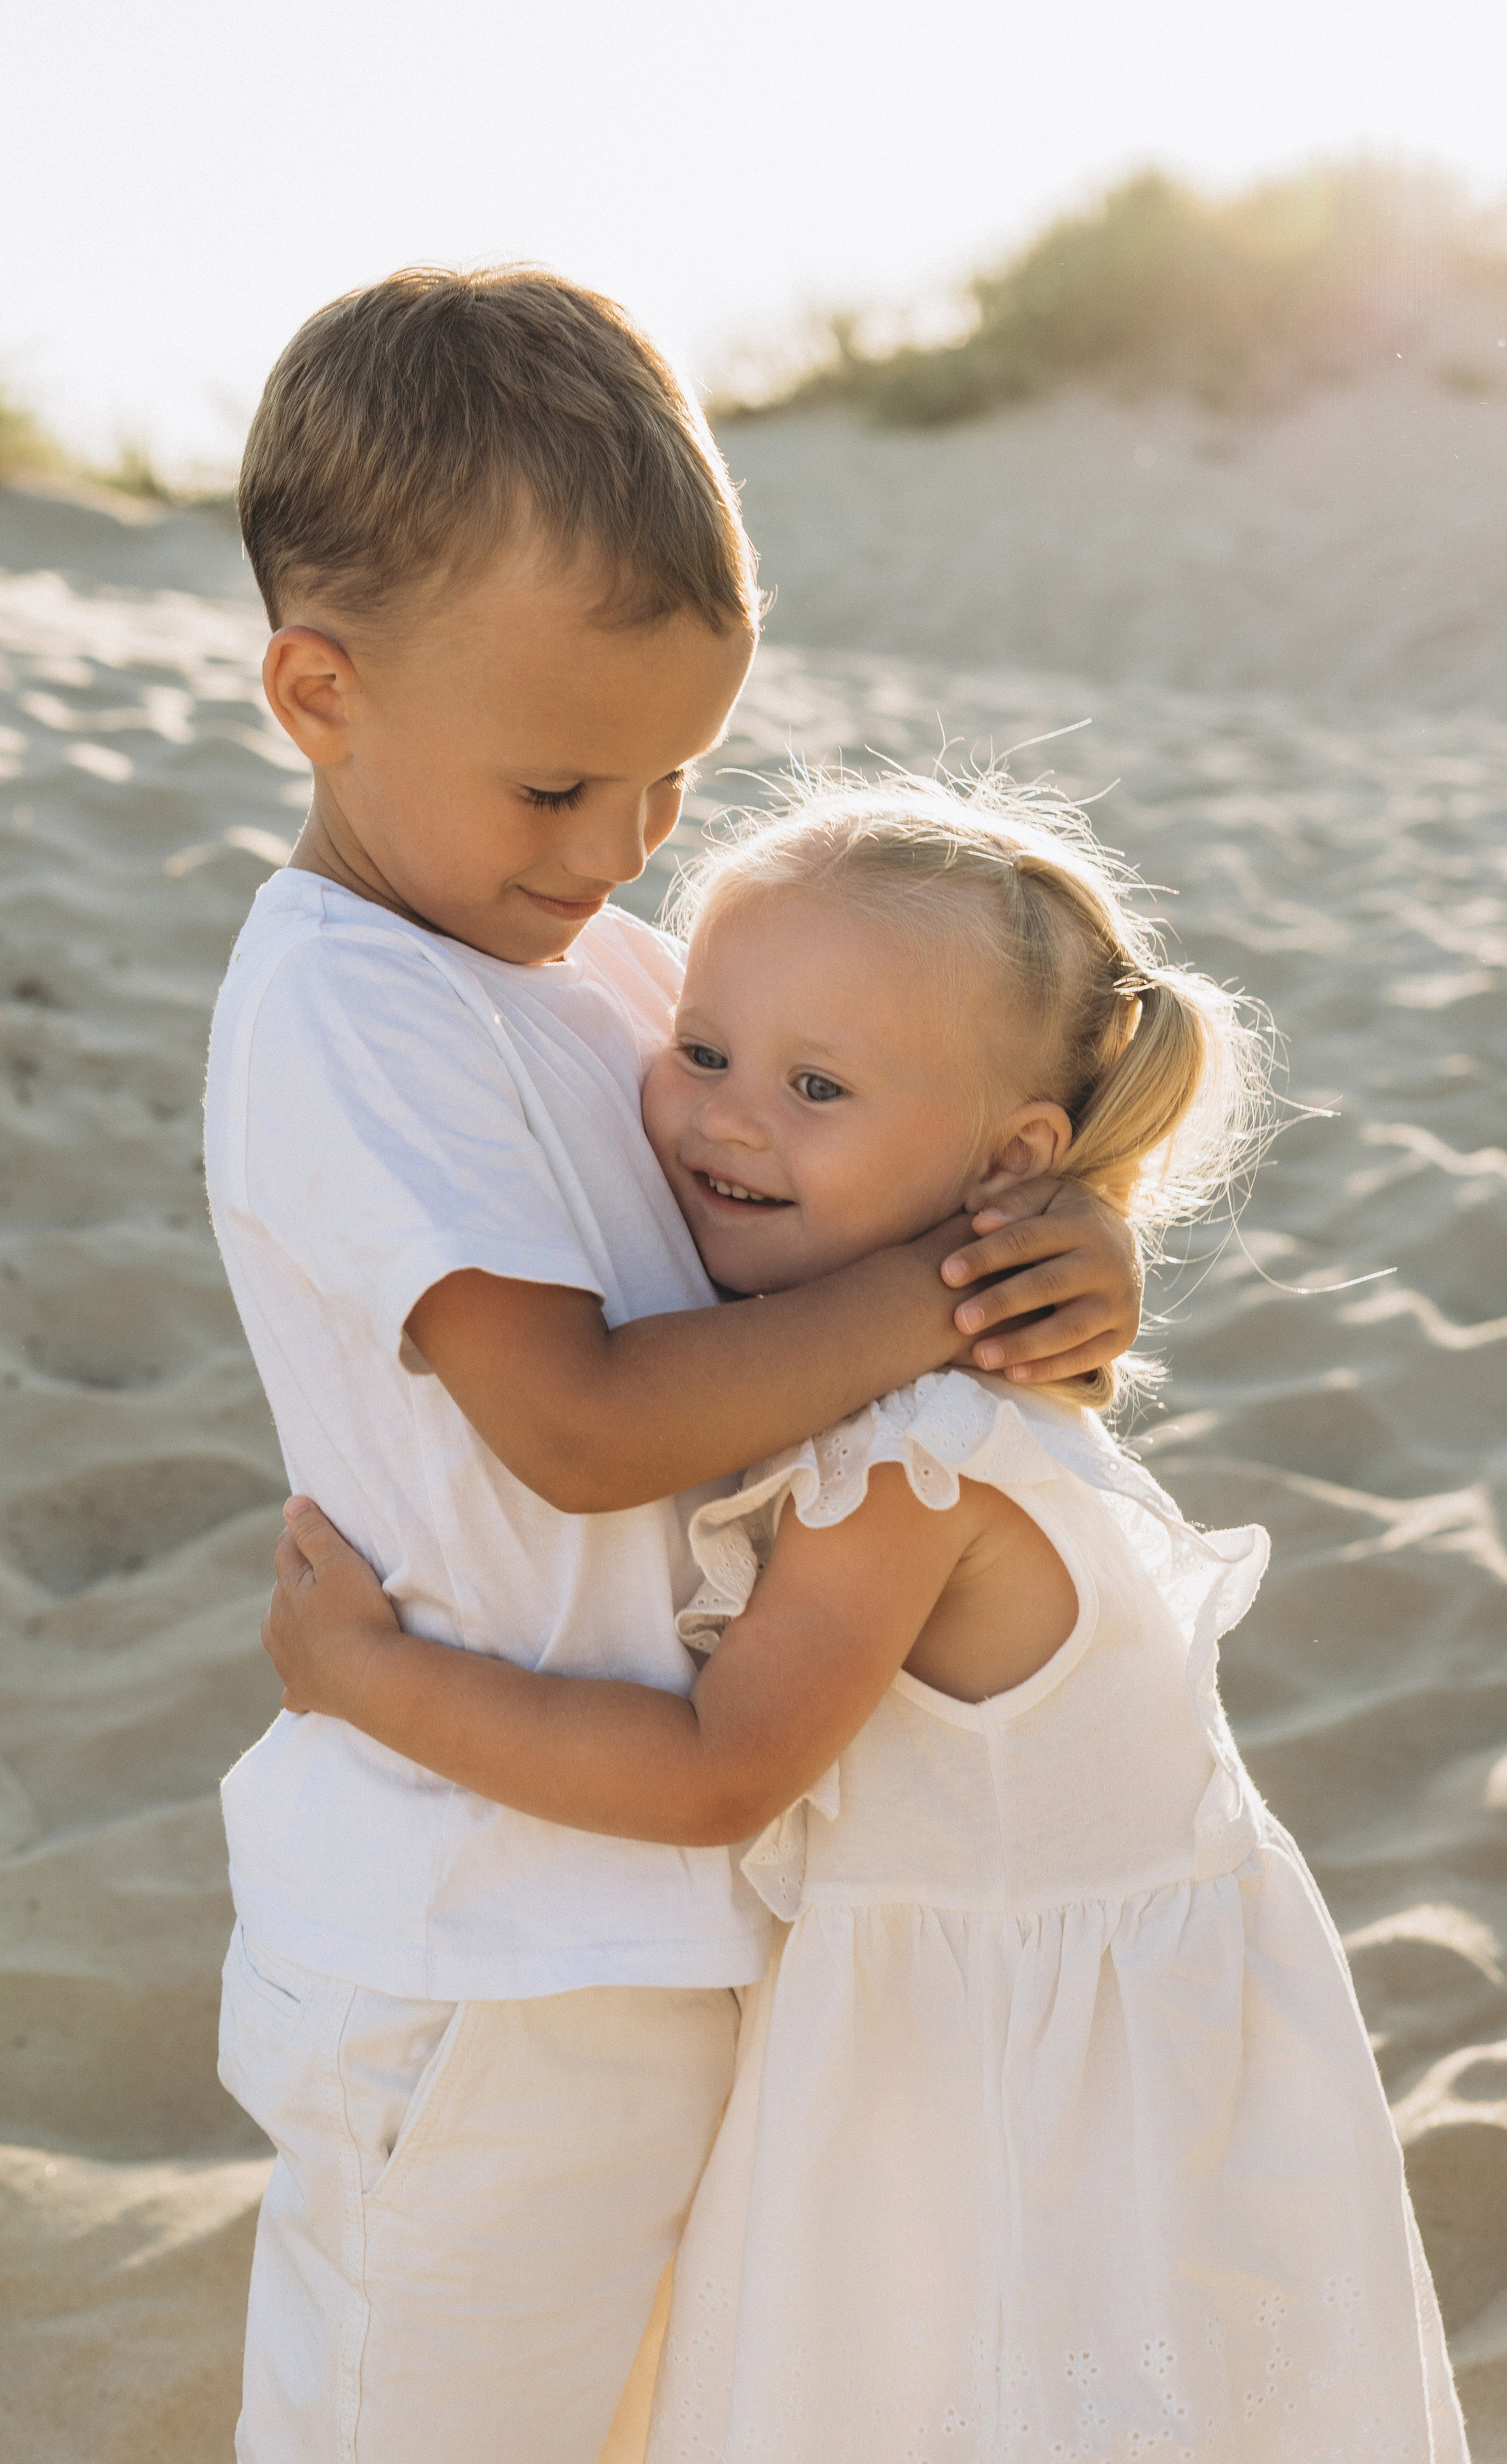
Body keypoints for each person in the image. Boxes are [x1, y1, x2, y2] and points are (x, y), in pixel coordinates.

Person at [206, 267, 1146, 2464]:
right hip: (467, 1945)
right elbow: (582, 1426)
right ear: (317, 693)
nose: (624, 846)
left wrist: (1055, 1254)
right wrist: (943, 1291)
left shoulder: (609, 966)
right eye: (558, 782)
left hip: (647, 1925)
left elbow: (816, 1235)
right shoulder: (349, 1010)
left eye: (673, 777)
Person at [264, 771, 1470, 2464]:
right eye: (701, 1051)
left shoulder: (909, 1459)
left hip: (1014, 2087)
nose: (724, 1121)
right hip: (986, 2021)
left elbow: (709, 1772)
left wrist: (371, 1678)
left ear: (1010, 1164)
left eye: (815, 1085)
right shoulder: (863, 1351)